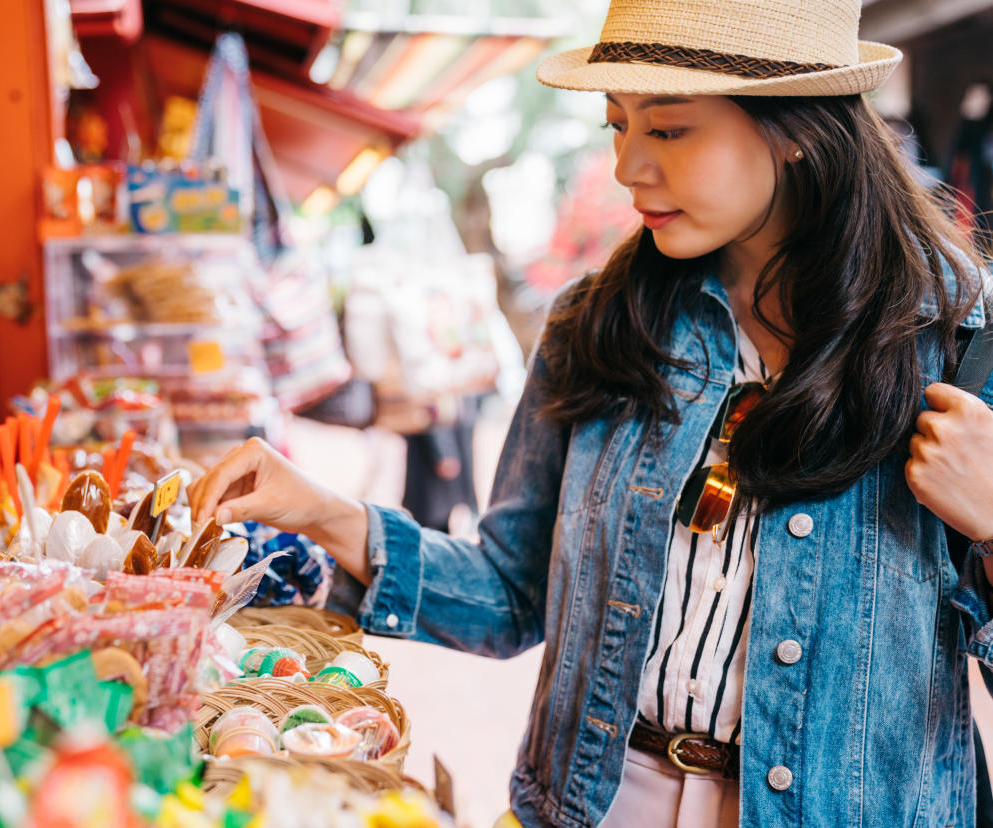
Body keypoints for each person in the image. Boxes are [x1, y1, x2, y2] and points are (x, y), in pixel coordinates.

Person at [188, 1, 993, 825]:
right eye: (618, 126)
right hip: (594, 803)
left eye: (669, 130)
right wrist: (318, 510)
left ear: (798, 130)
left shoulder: (959, 343)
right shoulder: (602, 322)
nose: (627, 167)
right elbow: (511, 592)